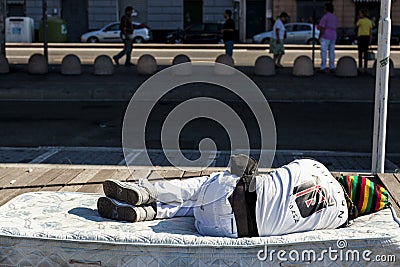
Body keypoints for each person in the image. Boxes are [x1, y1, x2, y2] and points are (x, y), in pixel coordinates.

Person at [97, 155, 349, 238]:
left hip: (226, 198)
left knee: (207, 186)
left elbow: (252, 166)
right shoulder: (337, 219)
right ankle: (148, 212)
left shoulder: (313, 167)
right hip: (222, 230)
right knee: (204, 204)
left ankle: (146, 192)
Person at [318, 3, 338, 73]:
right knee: (331, 52)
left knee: (323, 51)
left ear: (326, 9)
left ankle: (323, 67)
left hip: (325, 35)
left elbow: (322, 28)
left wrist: (319, 36)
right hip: (333, 35)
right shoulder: (334, 17)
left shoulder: (325, 17)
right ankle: (332, 66)